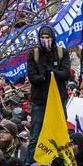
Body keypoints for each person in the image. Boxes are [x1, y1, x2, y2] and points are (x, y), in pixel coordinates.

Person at [26, 25, 71, 157]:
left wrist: (53, 72)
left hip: (57, 99)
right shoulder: (33, 54)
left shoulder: (62, 52)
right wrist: (44, 76)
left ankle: (63, 160)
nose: (45, 40)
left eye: (48, 37)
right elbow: (32, 77)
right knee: (36, 132)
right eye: (42, 37)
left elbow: (66, 74)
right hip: (40, 100)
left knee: (60, 131)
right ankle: (31, 161)